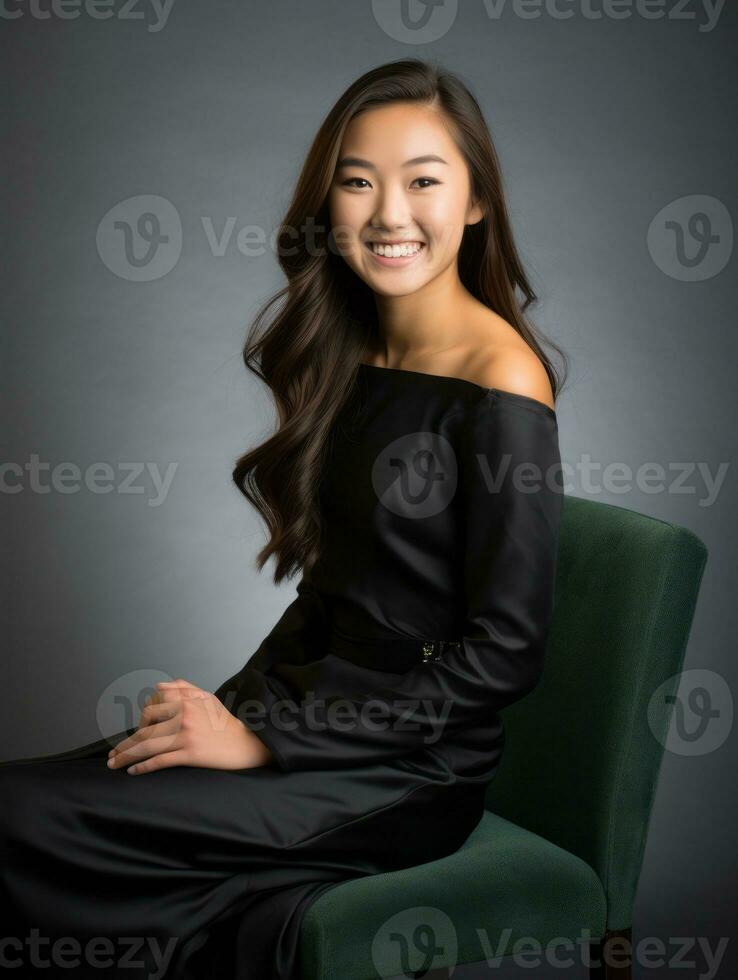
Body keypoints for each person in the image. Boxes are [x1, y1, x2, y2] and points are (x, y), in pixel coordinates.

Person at [0, 58, 567, 979]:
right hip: (303, 722)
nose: (388, 213)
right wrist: (228, 709)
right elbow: (335, 598)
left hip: (405, 772)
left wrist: (267, 742)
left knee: (24, 824)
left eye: (424, 180)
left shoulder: (501, 380)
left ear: (475, 204)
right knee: (36, 797)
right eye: (358, 181)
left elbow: (507, 651)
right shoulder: (358, 352)